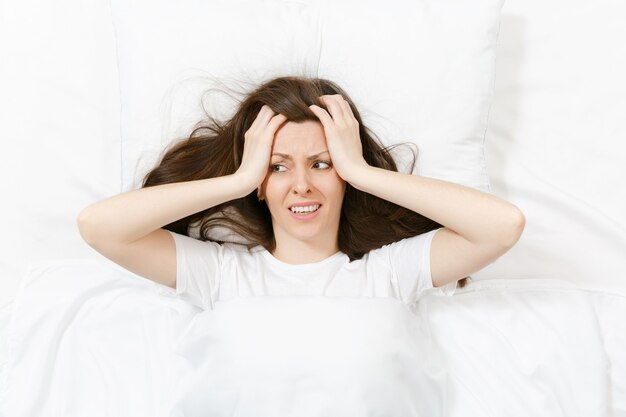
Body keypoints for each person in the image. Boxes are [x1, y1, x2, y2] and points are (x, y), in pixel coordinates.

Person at [76, 76, 525, 310]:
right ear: (259, 186)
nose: (302, 185)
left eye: (321, 163)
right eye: (278, 167)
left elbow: (503, 227)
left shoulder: (387, 275)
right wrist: (237, 179)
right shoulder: (221, 276)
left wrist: (361, 171)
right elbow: (98, 227)